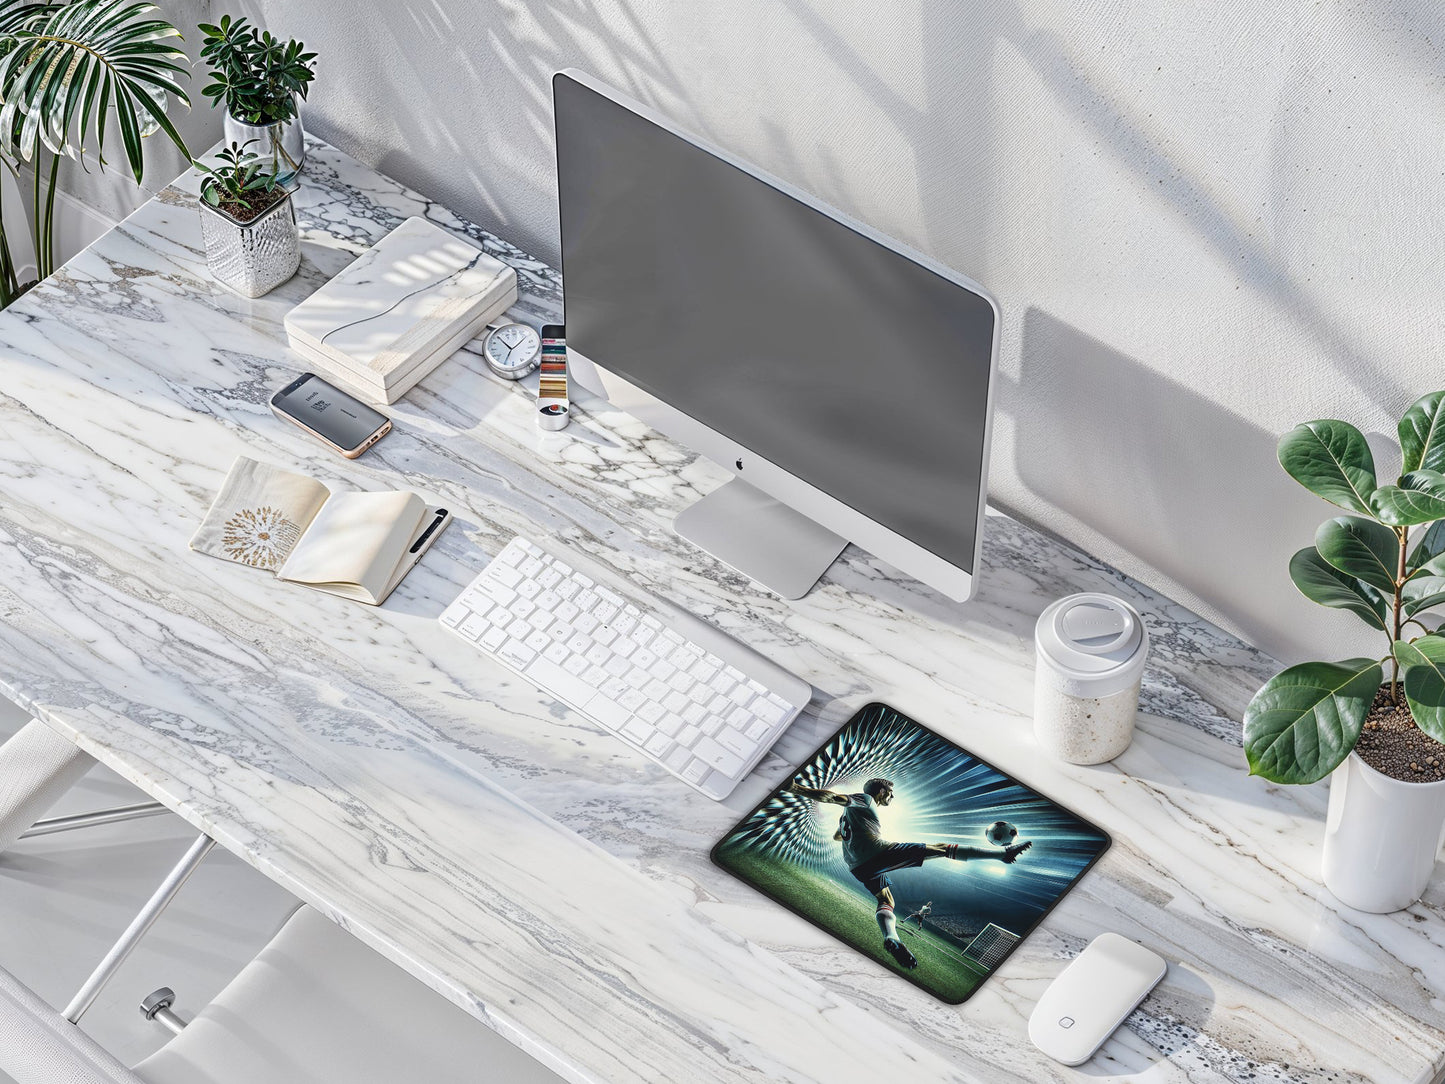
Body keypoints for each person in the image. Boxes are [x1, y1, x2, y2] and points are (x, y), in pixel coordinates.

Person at [787, 776, 1032, 970]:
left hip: (856, 866)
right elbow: (831, 797)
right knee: (941, 848)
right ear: (881, 791)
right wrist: (797, 788)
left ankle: (892, 938)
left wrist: (846, 833)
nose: (891, 797)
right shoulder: (865, 799)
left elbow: (837, 835)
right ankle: (1002, 855)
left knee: (886, 900)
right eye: (890, 793)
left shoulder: (850, 814)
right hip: (876, 854)